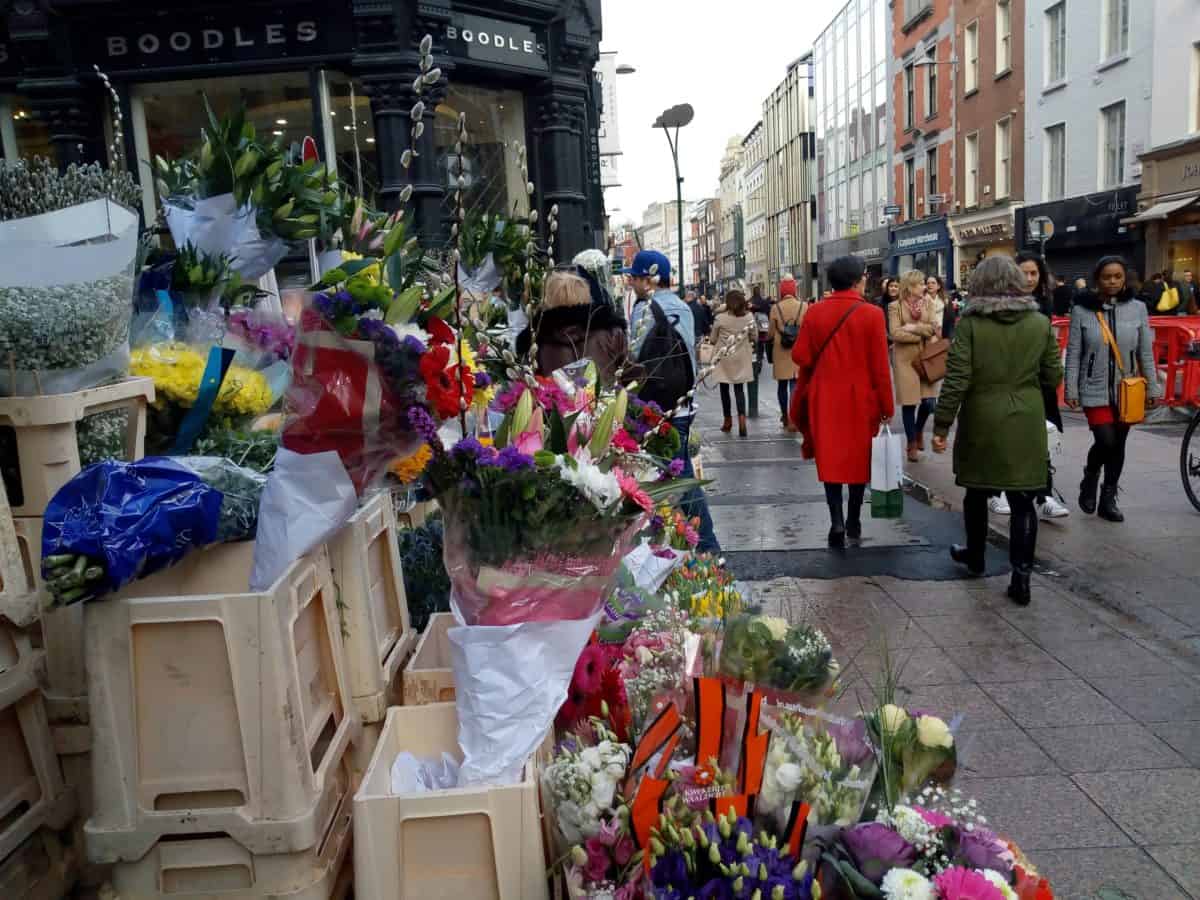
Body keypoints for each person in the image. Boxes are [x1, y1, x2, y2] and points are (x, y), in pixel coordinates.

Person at [932, 257, 1062, 605]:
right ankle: (1021, 577)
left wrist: (941, 424)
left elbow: (957, 378)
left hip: (982, 416)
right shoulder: (1039, 323)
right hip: (1026, 417)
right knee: (1023, 500)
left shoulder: (971, 325)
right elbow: (1053, 377)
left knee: (976, 491)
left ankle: (975, 556)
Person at [789, 255, 894, 548]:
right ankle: (854, 519)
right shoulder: (872, 314)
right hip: (861, 398)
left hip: (824, 397)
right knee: (858, 460)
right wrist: (887, 406)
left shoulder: (815, 312)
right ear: (857, 280)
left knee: (831, 458)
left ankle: (835, 520)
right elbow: (880, 368)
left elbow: (801, 356)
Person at [626, 249, 720, 552]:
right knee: (678, 473)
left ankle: (707, 545)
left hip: (655, 410)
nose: (632, 283)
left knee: (676, 478)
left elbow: (636, 361)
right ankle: (689, 543)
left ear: (648, 279)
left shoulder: (644, 309)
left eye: (636, 277)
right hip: (683, 403)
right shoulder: (683, 306)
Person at [1065, 255, 1162, 523]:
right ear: (1098, 279)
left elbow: (1145, 352)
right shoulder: (1082, 310)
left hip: (1127, 389)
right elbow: (1074, 353)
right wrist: (1071, 389)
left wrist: (1153, 388)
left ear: (1124, 278)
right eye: (1107, 277)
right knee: (1105, 440)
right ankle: (1090, 476)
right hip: (1093, 388)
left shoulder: (1138, 309)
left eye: (1117, 276)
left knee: (1118, 445)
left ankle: (1108, 499)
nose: (1112, 281)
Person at [1007, 251, 1071, 520]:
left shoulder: (1044, 302)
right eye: (1024, 272)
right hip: (1010, 384)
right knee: (1010, 440)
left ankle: (1044, 494)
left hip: (1039, 385)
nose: (1030, 278)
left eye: (1035, 273)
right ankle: (1000, 491)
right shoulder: (999, 303)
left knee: (1043, 438)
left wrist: (1051, 376)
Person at [516, 265, 629, 385]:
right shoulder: (611, 332)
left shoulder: (536, 340)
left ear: (547, 299)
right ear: (586, 295)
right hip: (608, 403)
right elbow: (633, 375)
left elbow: (527, 388)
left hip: (556, 403)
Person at [890, 270, 941, 463]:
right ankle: (911, 443)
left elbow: (934, 328)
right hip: (905, 361)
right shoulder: (895, 306)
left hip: (926, 357)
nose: (924, 286)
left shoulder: (929, 302)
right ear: (911, 286)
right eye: (920, 283)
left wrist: (912, 328)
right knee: (910, 403)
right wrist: (922, 332)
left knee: (929, 403)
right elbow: (895, 333)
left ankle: (918, 430)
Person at [712, 289, 755, 437]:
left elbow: (712, 339)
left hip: (724, 358)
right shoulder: (749, 317)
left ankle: (727, 421)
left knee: (724, 389)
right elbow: (754, 336)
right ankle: (742, 421)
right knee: (739, 390)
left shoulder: (720, 319)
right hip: (741, 357)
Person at [768, 278, 807, 430]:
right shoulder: (804, 306)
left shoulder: (775, 308)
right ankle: (793, 418)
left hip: (780, 350)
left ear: (782, 291)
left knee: (782, 385)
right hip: (798, 348)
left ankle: (784, 416)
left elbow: (771, 333)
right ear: (794, 291)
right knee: (795, 384)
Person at [748, 284, 773, 419]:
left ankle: (755, 360)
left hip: (753, 327)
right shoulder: (763, 301)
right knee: (761, 344)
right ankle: (759, 361)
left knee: (755, 345)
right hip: (763, 327)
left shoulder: (750, 301)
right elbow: (768, 311)